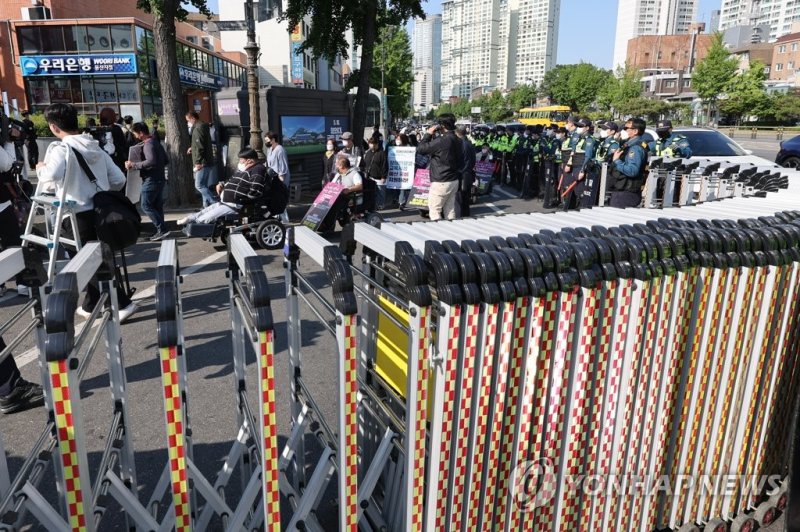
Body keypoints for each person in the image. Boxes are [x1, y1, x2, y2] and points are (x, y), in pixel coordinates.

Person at [36, 103, 138, 322]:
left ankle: (121, 304)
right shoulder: (96, 147)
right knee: (95, 259)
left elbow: (50, 175)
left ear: (54, 127)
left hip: (74, 214)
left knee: (88, 264)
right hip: (101, 213)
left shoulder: (61, 149)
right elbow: (119, 180)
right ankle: (91, 305)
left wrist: (39, 167)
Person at [178, 148, 284, 225]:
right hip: (227, 202)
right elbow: (232, 180)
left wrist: (243, 199)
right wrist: (222, 184)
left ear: (250, 161)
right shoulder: (245, 169)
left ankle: (195, 222)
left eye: (241, 160)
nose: (239, 162)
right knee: (205, 211)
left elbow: (256, 190)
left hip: (235, 204)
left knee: (205, 219)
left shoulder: (258, 169)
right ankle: (190, 218)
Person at [125, 122, 168, 241]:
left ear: (141, 133)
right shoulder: (155, 142)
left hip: (151, 180)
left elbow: (151, 161)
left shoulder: (148, 145)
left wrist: (134, 164)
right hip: (159, 178)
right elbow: (165, 160)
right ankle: (162, 230)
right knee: (157, 206)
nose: (134, 136)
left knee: (146, 205)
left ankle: (162, 229)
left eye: (135, 133)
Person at [417, 113, 462, 221]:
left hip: (441, 180)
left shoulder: (442, 141)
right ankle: (450, 232)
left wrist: (428, 134)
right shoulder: (457, 139)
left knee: (434, 210)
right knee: (450, 209)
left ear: (442, 126)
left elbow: (421, 149)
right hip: (453, 179)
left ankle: (438, 233)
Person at [610, 118, 649, 208]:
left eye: (627, 129)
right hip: (623, 190)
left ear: (635, 131)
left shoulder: (635, 148)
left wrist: (617, 161)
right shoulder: (629, 144)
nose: (624, 131)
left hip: (627, 193)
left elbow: (632, 170)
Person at [186, 111, 216, 207]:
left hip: (202, 162)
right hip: (206, 161)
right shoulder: (202, 126)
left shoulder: (198, 128)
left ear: (193, 118)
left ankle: (214, 203)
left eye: (188, 120)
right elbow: (201, 143)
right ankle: (206, 206)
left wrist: (198, 162)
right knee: (204, 185)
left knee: (199, 185)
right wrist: (192, 147)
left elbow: (200, 146)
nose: (188, 123)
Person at [99, 107, 128, 174]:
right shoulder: (116, 128)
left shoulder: (98, 129)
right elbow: (123, 145)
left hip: (102, 160)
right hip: (116, 159)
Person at [455, 125, 476, 218]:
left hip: (459, 173)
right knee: (466, 197)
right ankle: (466, 215)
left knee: (457, 197)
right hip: (468, 173)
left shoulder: (457, 144)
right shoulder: (470, 144)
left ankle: (459, 215)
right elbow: (473, 160)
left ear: (457, 133)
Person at [362, 136, 388, 210]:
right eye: (370, 143)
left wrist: (384, 176)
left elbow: (385, 165)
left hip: (379, 177)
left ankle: (381, 204)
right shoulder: (368, 153)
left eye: (374, 144)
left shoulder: (382, 153)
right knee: (372, 193)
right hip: (369, 176)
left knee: (380, 192)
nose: (372, 145)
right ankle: (373, 205)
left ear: (377, 144)